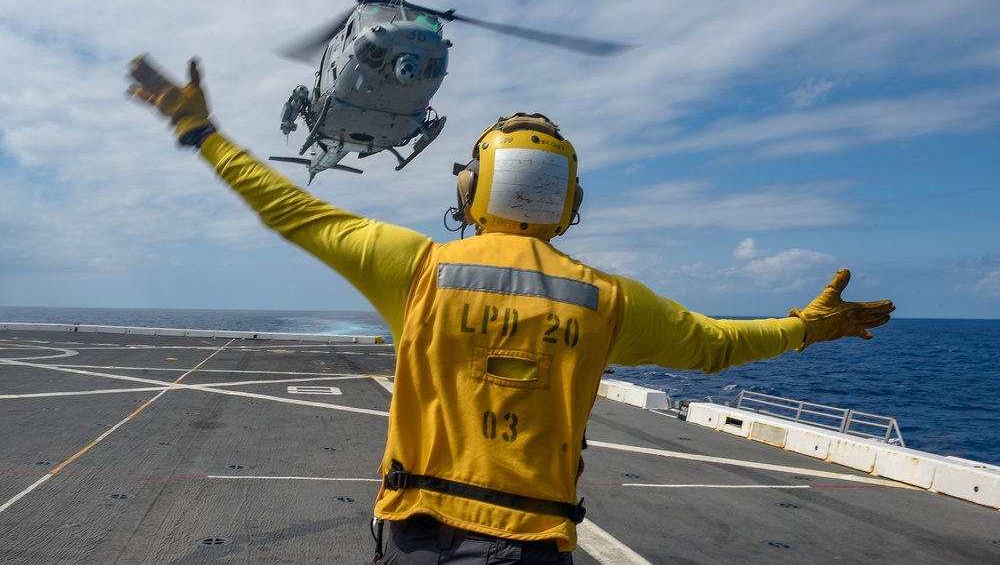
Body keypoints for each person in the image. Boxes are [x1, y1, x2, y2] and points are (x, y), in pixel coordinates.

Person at [125, 56, 895, 564]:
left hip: (416, 536)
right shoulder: (609, 300)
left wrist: (199, 130)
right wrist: (811, 325)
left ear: (472, 190)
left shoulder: (418, 267)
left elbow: (290, 209)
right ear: (570, 202)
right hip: (533, 545)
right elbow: (720, 344)